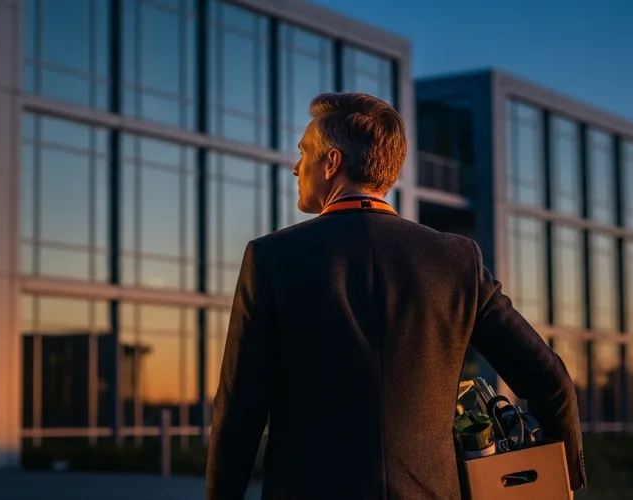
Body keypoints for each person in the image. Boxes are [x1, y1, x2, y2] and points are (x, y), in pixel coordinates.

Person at [205, 92, 586, 500]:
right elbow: (552, 381)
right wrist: (559, 483)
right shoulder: (458, 261)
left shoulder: (271, 258)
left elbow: (238, 415)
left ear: (332, 163)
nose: (297, 167)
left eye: (304, 153)